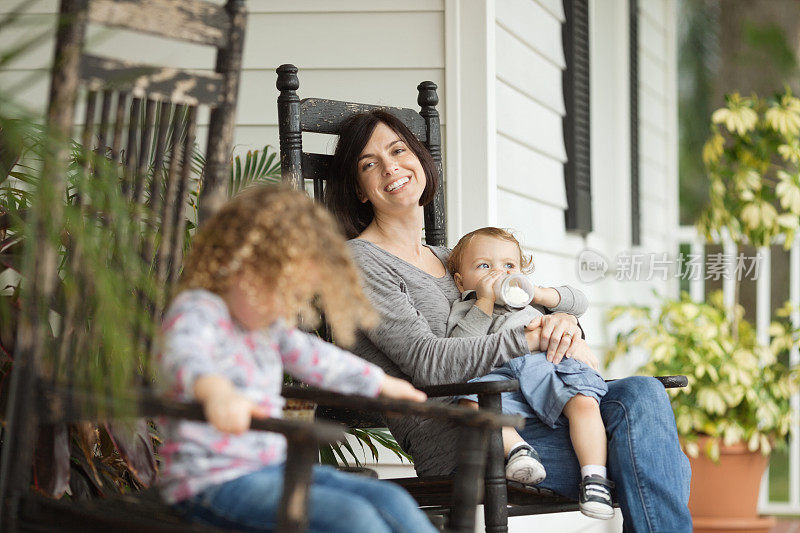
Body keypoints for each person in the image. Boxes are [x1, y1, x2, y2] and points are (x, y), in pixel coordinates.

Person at [325, 109, 692, 531]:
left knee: (644, 395)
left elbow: (520, 312)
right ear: (359, 188)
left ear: (420, 160)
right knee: (651, 453)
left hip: (535, 405)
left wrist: (564, 327)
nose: (391, 167)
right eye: (369, 163)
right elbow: (427, 362)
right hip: (470, 433)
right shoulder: (359, 262)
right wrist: (532, 339)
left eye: (398, 149)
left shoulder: (457, 260)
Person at [156, 185, 438, 533]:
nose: (284, 307)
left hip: (274, 470)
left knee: (392, 501)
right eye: (278, 290)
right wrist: (215, 391)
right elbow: (184, 356)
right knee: (353, 518)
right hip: (211, 484)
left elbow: (318, 358)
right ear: (233, 265)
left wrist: (381, 382)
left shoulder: (267, 326)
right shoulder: (199, 310)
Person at [446, 226, 612, 520]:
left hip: (545, 362)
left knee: (583, 401)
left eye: (508, 266)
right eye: (484, 266)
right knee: (471, 402)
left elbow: (578, 301)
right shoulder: (465, 307)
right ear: (461, 281)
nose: (498, 273)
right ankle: (520, 451)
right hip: (498, 372)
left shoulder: (529, 300)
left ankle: (595, 478)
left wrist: (535, 292)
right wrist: (483, 301)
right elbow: (461, 347)